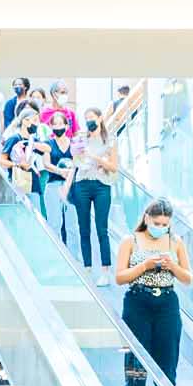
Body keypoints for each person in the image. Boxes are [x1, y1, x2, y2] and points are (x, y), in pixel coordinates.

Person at [114, 199, 192, 386]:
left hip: (167, 303)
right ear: (147, 218)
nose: (161, 227)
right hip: (137, 302)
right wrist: (145, 266)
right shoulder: (130, 241)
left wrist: (172, 266)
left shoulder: (175, 242)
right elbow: (120, 277)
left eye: (165, 224)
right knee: (136, 365)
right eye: (157, 222)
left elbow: (187, 278)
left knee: (167, 365)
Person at [67, 112, 118, 269]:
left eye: (92, 118)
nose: (89, 121)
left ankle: (105, 269)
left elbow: (114, 167)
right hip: (82, 184)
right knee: (84, 228)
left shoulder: (110, 140)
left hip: (102, 185)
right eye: (87, 118)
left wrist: (96, 158)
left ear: (100, 118)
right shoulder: (81, 139)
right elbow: (76, 161)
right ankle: (87, 267)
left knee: (102, 227)